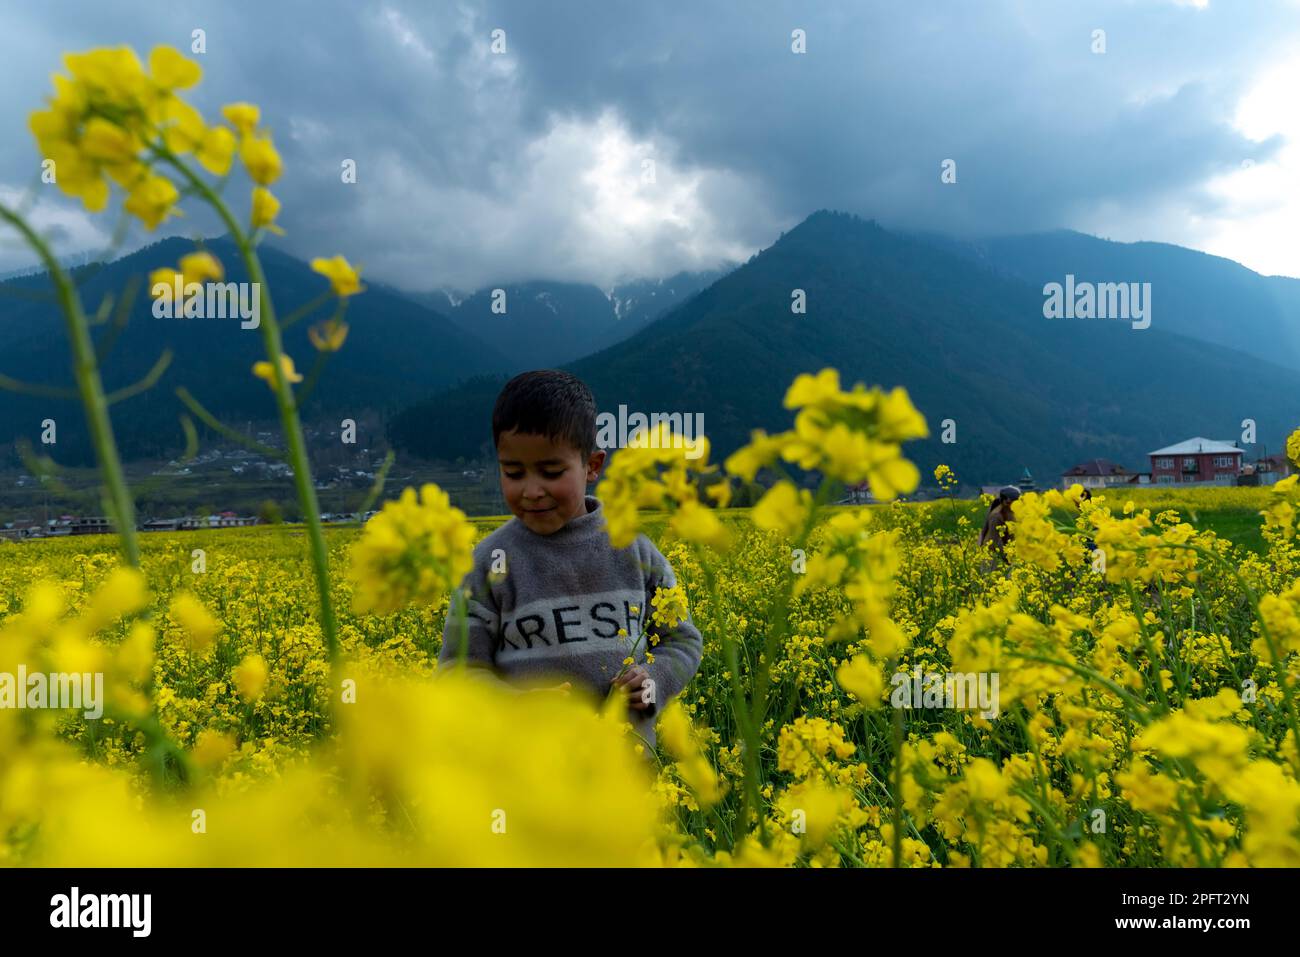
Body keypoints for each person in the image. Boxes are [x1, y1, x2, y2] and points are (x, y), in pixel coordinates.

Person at [437, 369, 703, 755]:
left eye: (551, 472)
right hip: (529, 778)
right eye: (513, 472)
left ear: (592, 466)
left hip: (627, 777)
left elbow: (682, 641)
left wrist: (653, 682)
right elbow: (457, 672)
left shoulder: (635, 550)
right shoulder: (488, 563)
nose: (531, 490)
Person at [978, 485, 1021, 564]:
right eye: (1012, 502)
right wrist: (1007, 558)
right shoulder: (997, 516)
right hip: (993, 558)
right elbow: (995, 541)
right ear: (1005, 501)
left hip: (1007, 555)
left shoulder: (1010, 511)